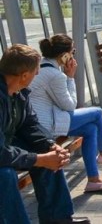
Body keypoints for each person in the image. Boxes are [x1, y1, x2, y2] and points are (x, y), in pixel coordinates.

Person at [1, 44, 91, 224]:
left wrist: (50, 145)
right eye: (36, 71)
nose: (38, 74)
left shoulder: (19, 92)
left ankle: (57, 219)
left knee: (50, 155)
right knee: (5, 175)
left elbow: (30, 124)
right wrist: (39, 159)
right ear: (24, 75)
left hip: (6, 144)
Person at [29, 34, 102, 193]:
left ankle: (94, 180)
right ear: (63, 55)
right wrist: (70, 77)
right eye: (73, 51)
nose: (73, 55)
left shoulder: (44, 67)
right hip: (47, 126)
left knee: (91, 129)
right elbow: (70, 106)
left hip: (47, 121)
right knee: (98, 112)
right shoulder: (55, 75)